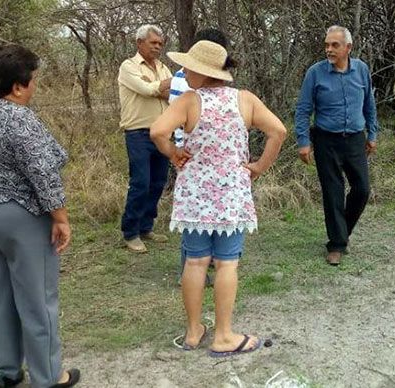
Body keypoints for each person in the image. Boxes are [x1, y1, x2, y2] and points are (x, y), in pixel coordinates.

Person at [0, 44, 80, 388]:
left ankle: (5, 373)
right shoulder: (20, 118)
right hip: (17, 216)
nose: (36, 85)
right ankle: (48, 377)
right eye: (33, 79)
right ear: (18, 86)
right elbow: (45, 172)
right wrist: (61, 218)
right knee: (38, 298)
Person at [150, 40, 287, 356]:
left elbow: (157, 131)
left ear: (201, 72)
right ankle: (224, 335)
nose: (184, 72)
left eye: (188, 68)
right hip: (231, 195)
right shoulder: (245, 100)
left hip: (196, 195)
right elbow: (278, 131)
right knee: (227, 264)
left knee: (195, 262)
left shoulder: (188, 101)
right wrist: (258, 168)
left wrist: (173, 152)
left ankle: (193, 331)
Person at [294, 25, 379, 266]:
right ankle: (337, 244)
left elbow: (369, 105)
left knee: (362, 188)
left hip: (354, 139)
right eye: (327, 45)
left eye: (335, 45)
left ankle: (343, 232)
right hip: (325, 140)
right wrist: (303, 142)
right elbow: (303, 109)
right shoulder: (315, 73)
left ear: (348, 48)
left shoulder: (361, 70)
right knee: (333, 192)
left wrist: (372, 134)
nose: (329, 49)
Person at [168, 28, 230, 285]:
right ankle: (191, 269)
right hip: (190, 155)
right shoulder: (184, 82)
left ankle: (204, 264)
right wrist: (176, 151)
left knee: (206, 210)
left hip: (206, 157)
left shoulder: (208, 84)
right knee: (193, 213)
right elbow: (170, 123)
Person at [118, 24, 173, 253]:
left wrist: (158, 88)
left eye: (160, 43)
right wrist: (158, 88)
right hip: (138, 133)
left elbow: (175, 92)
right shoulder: (128, 67)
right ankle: (130, 232)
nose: (158, 47)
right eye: (153, 43)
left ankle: (145, 227)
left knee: (158, 182)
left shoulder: (163, 68)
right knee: (140, 182)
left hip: (162, 133)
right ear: (139, 43)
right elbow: (146, 89)